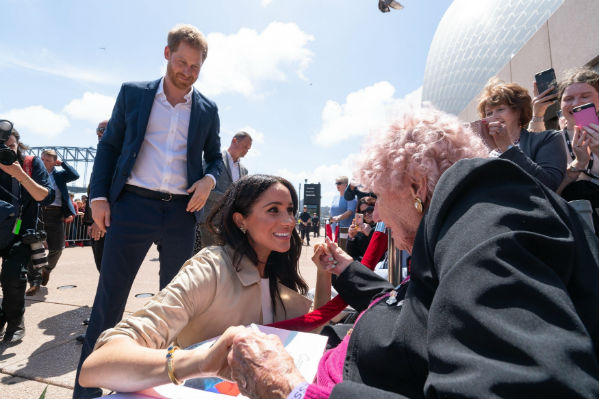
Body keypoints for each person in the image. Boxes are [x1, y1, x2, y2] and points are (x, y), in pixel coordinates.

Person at [221, 105, 598, 398]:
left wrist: (291, 391)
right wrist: (348, 269)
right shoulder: (462, 225)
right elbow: (426, 309)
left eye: (380, 197)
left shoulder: (486, 221)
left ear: (416, 185)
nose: (379, 213)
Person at [75, 24, 224, 398]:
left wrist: (208, 180)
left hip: (179, 213)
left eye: (195, 66)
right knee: (108, 305)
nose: (187, 71)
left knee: (175, 311)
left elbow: (215, 157)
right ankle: (85, 392)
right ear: (167, 54)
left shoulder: (207, 109)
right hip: (132, 207)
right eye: (182, 61)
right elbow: (109, 147)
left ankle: (158, 389)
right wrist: (98, 198)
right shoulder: (133, 94)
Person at [78, 175, 312, 393]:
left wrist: (325, 274)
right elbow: (97, 365)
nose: (289, 221)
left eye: (290, 210)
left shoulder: (277, 271)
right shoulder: (212, 268)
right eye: (273, 210)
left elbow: (307, 334)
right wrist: (202, 362)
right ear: (241, 220)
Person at [0, 124, 54, 342]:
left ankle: (15, 323)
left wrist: (19, 174)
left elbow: (45, 197)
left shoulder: (31, 163)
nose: (7, 151)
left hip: (22, 231)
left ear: (18, 144)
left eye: (11, 146)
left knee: (13, 277)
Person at [477, 78, 567, 191]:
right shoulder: (482, 153)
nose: (494, 116)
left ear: (518, 111)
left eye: (500, 109)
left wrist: (508, 148)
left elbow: (549, 185)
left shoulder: (547, 139)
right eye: (489, 113)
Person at [25, 149, 79, 295]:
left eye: (47, 160)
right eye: (42, 159)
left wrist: (63, 164)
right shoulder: (34, 174)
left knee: (58, 247)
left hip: (56, 214)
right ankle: (34, 282)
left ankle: (47, 269)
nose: (43, 162)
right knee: (33, 247)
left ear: (55, 162)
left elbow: (75, 175)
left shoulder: (60, 175)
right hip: (37, 211)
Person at [194, 131, 252, 252]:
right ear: (235, 141)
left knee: (225, 261)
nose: (247, 150)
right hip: (209, 221)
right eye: (245, 146)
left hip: (229, 225)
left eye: (249, 148)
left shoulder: (244, 171)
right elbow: (201, 187)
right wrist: (228, 198)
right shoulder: (213, 160)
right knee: (208, 261)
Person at [82, 120, 108, 272]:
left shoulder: (116, 155)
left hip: (107, 222)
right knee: (104, 268)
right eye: (98, 129)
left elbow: (107, 190)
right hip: (98, 220)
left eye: (103, 129)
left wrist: (99, 221)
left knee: (107, 269)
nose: (99, 132)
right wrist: (91, 220)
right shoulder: (102, 154)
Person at [346, 196, 376, 261]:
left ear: (376, 208)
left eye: (370, 210)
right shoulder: (359, 230)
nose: (367, 214)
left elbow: (382, 254)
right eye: (363, 212)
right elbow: (351, 255)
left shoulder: (384, 225)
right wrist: (351, 238)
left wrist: (370, 233)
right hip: (363, 266)